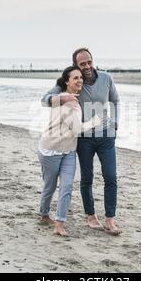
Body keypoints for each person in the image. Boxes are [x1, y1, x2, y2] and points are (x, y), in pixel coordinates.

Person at [41, 48, 121, 235]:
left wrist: (115, 125)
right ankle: (91, 216)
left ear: (93, 61)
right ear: (76, 65)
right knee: (87, 177)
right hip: (83, 139)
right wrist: (62, 97)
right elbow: (45, 100)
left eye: (89, 62)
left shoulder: (106, 78)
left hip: (106, 136)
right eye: (82, 64)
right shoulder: (75, 81)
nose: (86, 67)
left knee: (110, 176)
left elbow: (115, 100)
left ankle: (110, 219)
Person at [38, 66, 102, 236]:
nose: (80, 80)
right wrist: (97, 120)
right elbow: (77, 129)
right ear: (67, 81)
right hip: (50, 149)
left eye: (81, 77)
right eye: (75, 78)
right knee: (49, 187)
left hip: (69, 152)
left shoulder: (74, 99)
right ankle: (44, 214)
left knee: (66, 186)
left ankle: (59, 224)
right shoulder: (61, 99)